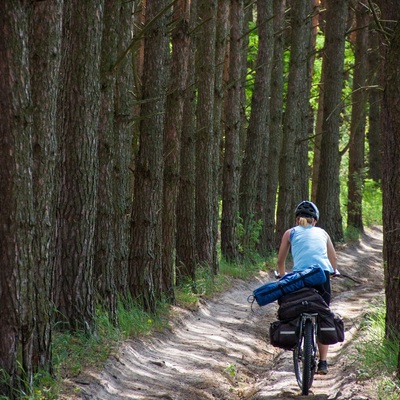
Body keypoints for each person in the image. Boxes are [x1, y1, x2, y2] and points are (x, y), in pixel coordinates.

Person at [277, 200, 338, 375]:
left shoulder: (290, 233)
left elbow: (281, 261)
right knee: (323, 313)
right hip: (321, 277)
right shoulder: (323, 233)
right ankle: (323, 362)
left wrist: (282, 276)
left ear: (297, 220)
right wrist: (333, 272)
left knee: (296, 307)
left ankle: (298, 335)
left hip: (299, 279)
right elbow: (333, 259)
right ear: (315, 221)